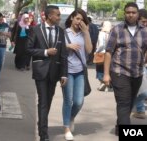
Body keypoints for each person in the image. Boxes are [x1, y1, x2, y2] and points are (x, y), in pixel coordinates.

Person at [103, 2, 147, 135]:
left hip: (137, 73)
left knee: (129, 103)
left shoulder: (144, 31)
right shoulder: (117, 30)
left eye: (133, 12)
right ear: (124, 13)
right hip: (119, 72)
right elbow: (108, 52)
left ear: (137, 14)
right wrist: (106, 74)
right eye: (128, 12)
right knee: (123, 103)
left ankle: (120, 126)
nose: (131, 15)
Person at [26, 5, 68, 141]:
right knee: (43, 101)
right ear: (50, 16)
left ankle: (41, 123)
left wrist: (64, 74)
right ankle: (43, 134)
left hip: (54, 72)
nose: (59, 17)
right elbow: (28, 49)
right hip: (41, 71)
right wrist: (45, 52)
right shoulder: (36, 29)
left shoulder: (61, 31)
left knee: (48, 101)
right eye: (57, 15)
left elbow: (63, 54)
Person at [61, 8, 92, 140]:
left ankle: (71, 117)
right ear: (72, 18)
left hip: (80, 71)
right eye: (77, 18)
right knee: (68, 100)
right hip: (67, 71)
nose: (79, 22)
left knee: (79, 101)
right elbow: (56, 49)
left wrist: (86, 32)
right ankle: (66, 127)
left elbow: (89, 50)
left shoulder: (84, 34)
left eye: (82, 20)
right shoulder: (64, 33)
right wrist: (68, 46)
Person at [132, 8, 147, 119]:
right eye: (143, 21)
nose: (145, 24)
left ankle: (140, 109)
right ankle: (139, 108)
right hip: (137, 66)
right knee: (143, 92)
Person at [95, 21, 112, 91]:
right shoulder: (111, 33)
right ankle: (107, 86)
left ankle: (102, 83)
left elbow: (101, 44)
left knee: (99, 69)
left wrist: (97, 51)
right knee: (108, 69)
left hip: (101, 53)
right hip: (109, 54)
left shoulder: (101, 33)